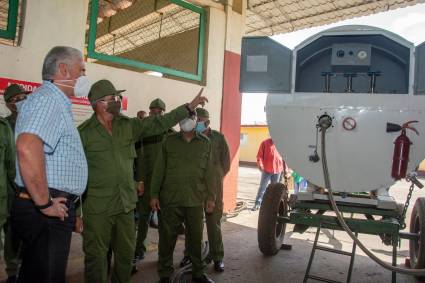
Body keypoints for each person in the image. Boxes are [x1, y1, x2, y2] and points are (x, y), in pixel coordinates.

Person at [78, 79, 207, 283]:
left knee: (126, 256)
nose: (117, 101)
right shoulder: (83, 134)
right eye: (113, 98)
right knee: (96, 259)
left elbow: (159, 123)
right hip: (97, 207)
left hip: (125, 205)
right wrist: (77, 214)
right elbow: (75, 176)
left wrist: (188, 107)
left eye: (117, 97)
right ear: (99, 103)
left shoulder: (127, 126)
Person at [12, 46, 89, 283]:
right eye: (82, 70)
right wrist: (44, 203)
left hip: (47, 205)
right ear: (63, 70)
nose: (84, 77)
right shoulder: (49, 100)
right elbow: (27, 146)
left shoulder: (51, 101)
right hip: (47, 209)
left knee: (36, 273)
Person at [150, 114, 216, 283]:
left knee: (195, 238)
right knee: (167, 238)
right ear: (178, 121)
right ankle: (165, 273)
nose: (186, 121)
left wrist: (211, 197)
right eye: (183, 117)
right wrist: (154, 195)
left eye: (190, 117)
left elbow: (209, 172)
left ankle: (198, 273)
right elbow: (159, 169)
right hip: (171, 198)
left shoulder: (205, 143)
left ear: (195, 121)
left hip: (195, 198)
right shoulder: (169, 141)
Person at [180, 108, 230, 272]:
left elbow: (226, 163)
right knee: (192, 223)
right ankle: (189, 254)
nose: (197, 124)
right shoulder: (192, 138)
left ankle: (217, 257)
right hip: (195, 186)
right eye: (196, 120)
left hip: (214, 187)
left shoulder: (219, 138)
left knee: (213, 223)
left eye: (200, 120)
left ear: (207, 122)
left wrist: (215, 176)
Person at [133, 98, 169, 266]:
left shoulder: (170, 134)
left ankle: (164, 254)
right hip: (145, 185)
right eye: (152, 112)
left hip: (163, 187)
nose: (155, 115)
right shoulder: (142, 133)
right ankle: (139, 250)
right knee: (143, 220)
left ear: (164, 113)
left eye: (159, 112)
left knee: (165, 222)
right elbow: (136, 159)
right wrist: (138, 180)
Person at [2, 84, 30, 283]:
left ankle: (27, 267)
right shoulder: (5, 127)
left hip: (33, 186)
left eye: (23, 97)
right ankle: (13, 271)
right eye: (17, 99)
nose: (22, 101)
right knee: (12, 232)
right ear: (9, 104)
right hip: (12, 189)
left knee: (30, 230)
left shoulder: (34, 122)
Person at [0, 117, 16, 282]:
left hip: (7, 195)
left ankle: (13, 272)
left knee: (12, 236)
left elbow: (11, 165)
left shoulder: (2, 128)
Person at [252, 138, 285, 211]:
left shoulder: (281, 144)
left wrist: (287, 170)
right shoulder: (265, 143)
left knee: (274, 190)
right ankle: (257, 204)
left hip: (278, 170)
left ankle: (272, 206)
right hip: (266, 169)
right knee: (262, 188)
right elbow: (259, 156)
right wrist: (260, 165)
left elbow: (284, 158)